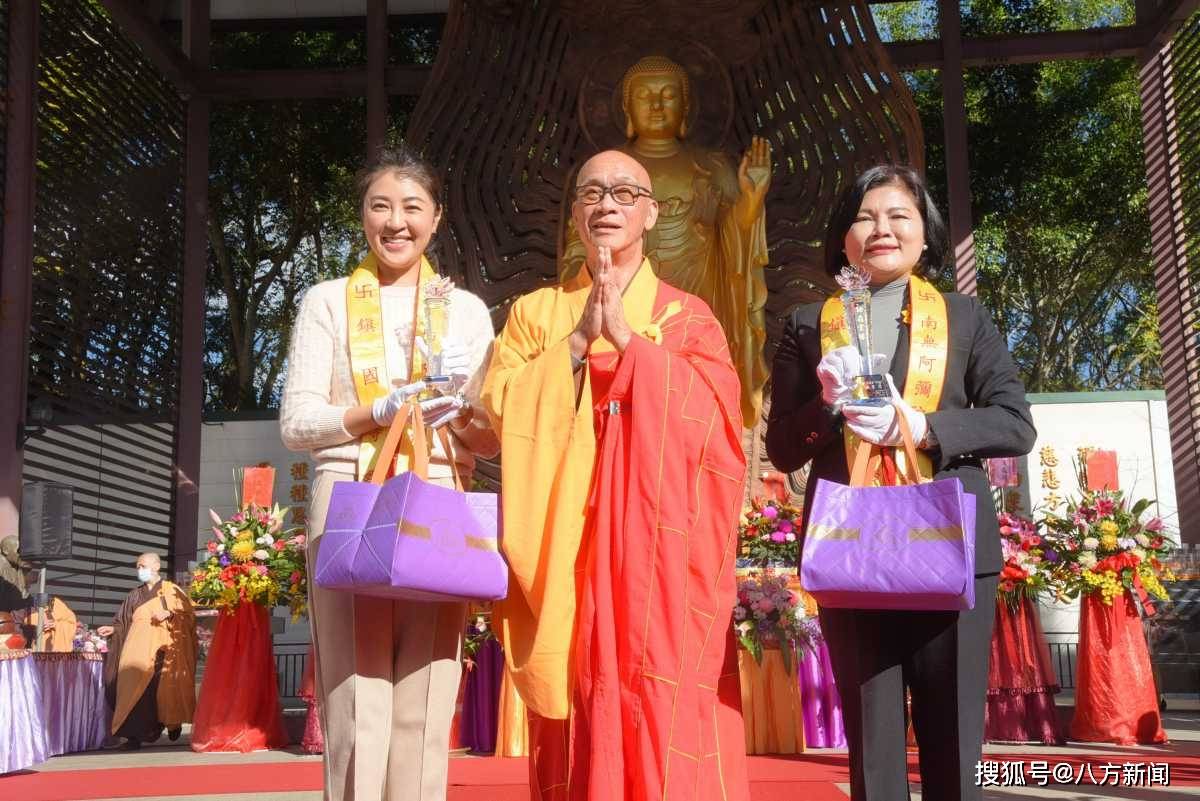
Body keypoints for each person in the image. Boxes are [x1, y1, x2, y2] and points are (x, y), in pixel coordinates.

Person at [483, 149, 749, 800]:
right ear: (574, 214)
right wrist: (575, 343)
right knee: (576, 699)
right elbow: (499, 403)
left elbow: (720, 429)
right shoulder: (536, 312)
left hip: (658, 551)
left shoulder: (690, 317)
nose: (608, 204)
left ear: (652, 213)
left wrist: (633, 345)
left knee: (663, 687)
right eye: (593, 192)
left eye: (626, 192)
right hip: (567, 541)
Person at [765, 164, 1036, 801]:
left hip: (953, 548)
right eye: (864, 216)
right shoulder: (808, 324)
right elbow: (781, 447)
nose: (880, 230)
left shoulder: (965, 319)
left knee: (954, 740)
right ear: (843, 237)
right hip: (853, 549)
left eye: (898, 216)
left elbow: (1015, 425)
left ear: (924, 233)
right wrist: (826, 406)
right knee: (875, 752)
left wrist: (923, 425)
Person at [280, 143, 499, 801]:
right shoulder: (327, 301)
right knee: (355, 688)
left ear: (437, 218)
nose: (396, 221)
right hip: (350, 490)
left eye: (412, 206)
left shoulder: (464, 310)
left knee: (429, 688)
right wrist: (371, 411)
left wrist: (459, 410)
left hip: (435, 494)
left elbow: (487, 438)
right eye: (381, 206)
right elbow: (296, 423)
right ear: (363, 218)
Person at [562, 56, 772, 427]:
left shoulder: (711, 167)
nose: (657, 105)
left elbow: (736, 242)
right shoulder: (607, 170)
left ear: (686, 107)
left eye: (668, 95)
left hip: (696, 300)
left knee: (687, 396)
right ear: (627, 107)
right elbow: (578, 247)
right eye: (644, 95)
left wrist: (750, 200)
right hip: (619, 302)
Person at [97, 552, 197, 750]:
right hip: (137, 652)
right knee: (134, 690)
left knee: (162, 691)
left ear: (156, 566)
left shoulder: (172, 590)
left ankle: (171, 722)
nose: (139, 570)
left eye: (142, 565)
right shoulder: (134, 595)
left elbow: (188, 616)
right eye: (137, 567)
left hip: (164, 652)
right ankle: (134, 737)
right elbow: (123, 620)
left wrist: (170, 613)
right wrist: (114, 629)